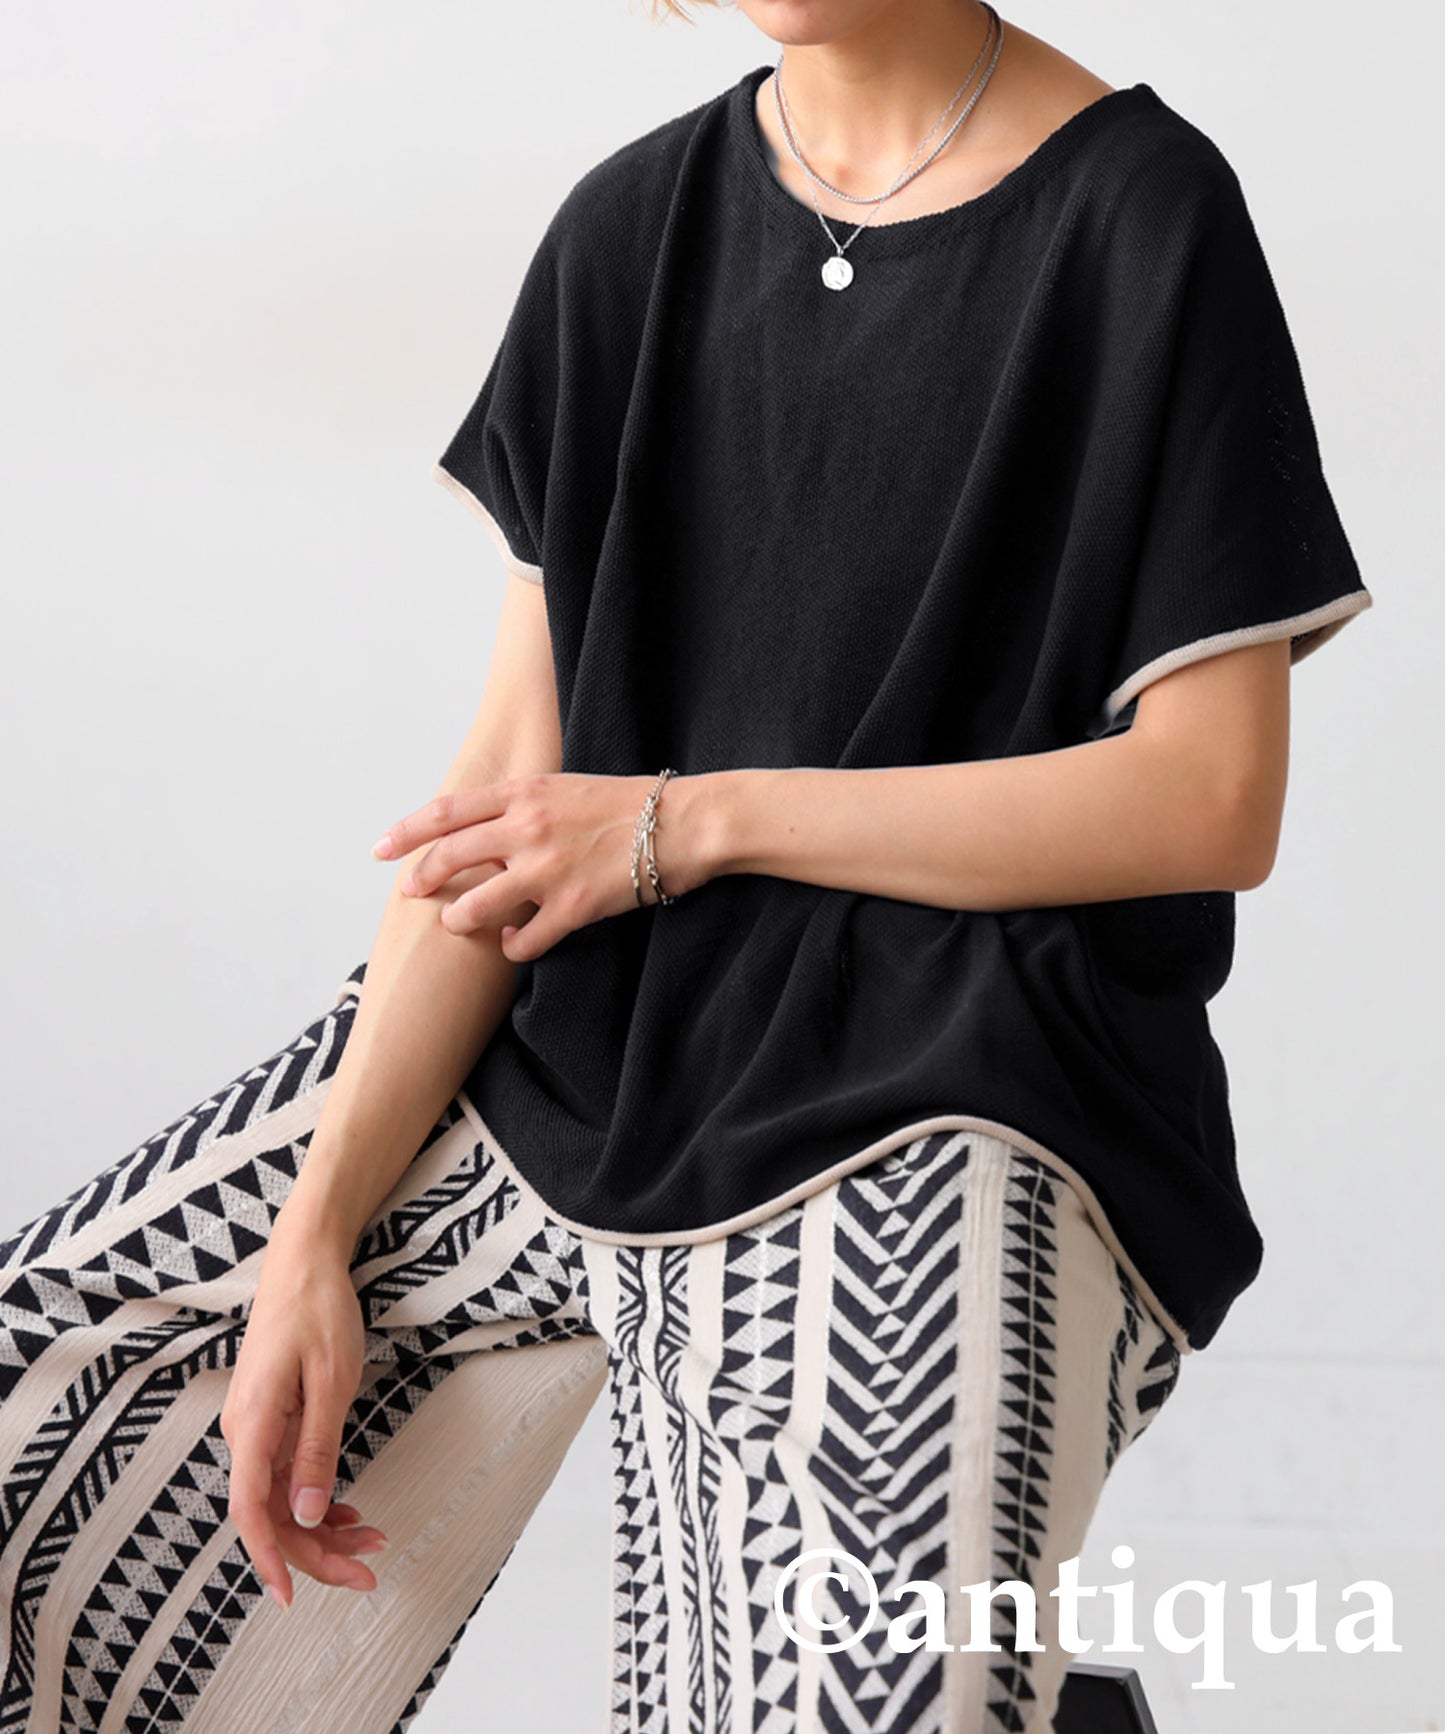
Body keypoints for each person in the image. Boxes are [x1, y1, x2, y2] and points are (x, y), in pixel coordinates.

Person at [0, 1, 1373, 1729]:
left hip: (949, 1085)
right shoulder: (628, 229)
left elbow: (1208, 798)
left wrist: (689, 821)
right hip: (579, 1063)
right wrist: (316, 1228)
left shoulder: (1140, 213)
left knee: (880, 1690)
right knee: (44, 1385)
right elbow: (507, 799)